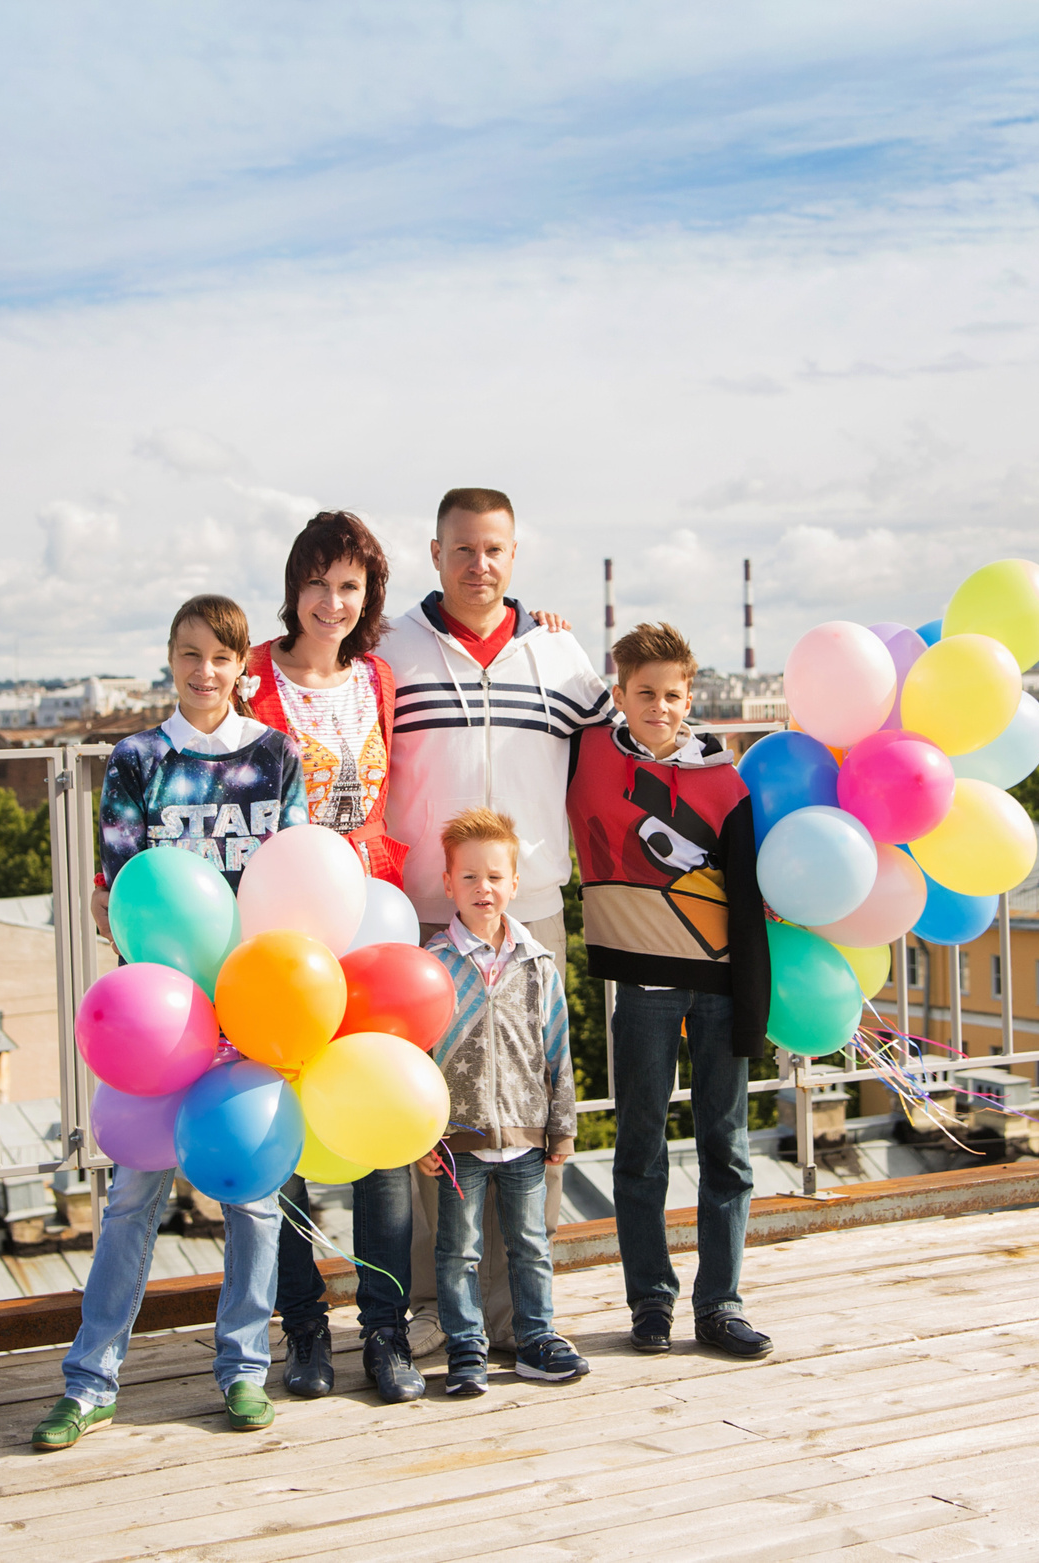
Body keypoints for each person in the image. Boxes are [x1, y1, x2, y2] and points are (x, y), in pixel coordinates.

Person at [31, 594, 308, 1451]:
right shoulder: (138, 759)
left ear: (242, 666)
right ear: (170, 658)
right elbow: (124, 892)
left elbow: (296, 880)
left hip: (251, 1005)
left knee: (254, 1197)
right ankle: (90, 1379)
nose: (204, 671)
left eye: (221, 657)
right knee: (132, 1196)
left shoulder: (276, 755)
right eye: (190, 653)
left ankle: (243, 1367)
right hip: (161, 1012)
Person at [375, 486, 610, 1346]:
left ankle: (522, 1317)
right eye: (464, 549)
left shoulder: (555, 649)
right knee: (428, 1117)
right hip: (422, 921)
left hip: (530, 915)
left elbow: (621, 747)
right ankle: (442, 1312)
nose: (481, 565)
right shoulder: (390, 648)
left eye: (495, 549)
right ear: (435, 554)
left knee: (532, 1116)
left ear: (516, 556)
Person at [245, 511, 425, 1405]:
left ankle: (386, 1332)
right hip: (279, 933)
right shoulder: (252, 676)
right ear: (294, 588)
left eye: (349, 585)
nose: (332, 601)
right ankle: (304, 1328)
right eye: (317, 582)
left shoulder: (379, 677)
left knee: (382, 1127)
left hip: (372, 925)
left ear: (369, 596)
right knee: (280, 1138)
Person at [567, 621, 774, 1360]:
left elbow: (747, 900)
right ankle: (650, 1302)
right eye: (644, 693)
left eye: (673, 695)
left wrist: (754, 1010)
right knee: (639, 1148)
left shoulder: (726, 781)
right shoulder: (588, 753)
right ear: (619, 695)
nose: (659, 707)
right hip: (643, 986)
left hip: (719, 985)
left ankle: (720, 1305)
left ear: (692, 698)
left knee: (728, 1148)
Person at [420, 807, 585, 1396]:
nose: (482, 888)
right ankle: (466, 1347)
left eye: (494, 877)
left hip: (525, 1135)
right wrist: (421, 1137)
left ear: (515, 883)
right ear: (448, 884)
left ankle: (536, 1337)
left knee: (531, 1245)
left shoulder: (537, 963)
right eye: (469, 877)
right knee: (458, 1250)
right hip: (456, 1139)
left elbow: (557, 1047)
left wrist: (561, 1127)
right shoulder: (433, 965)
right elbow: (416, 1059)